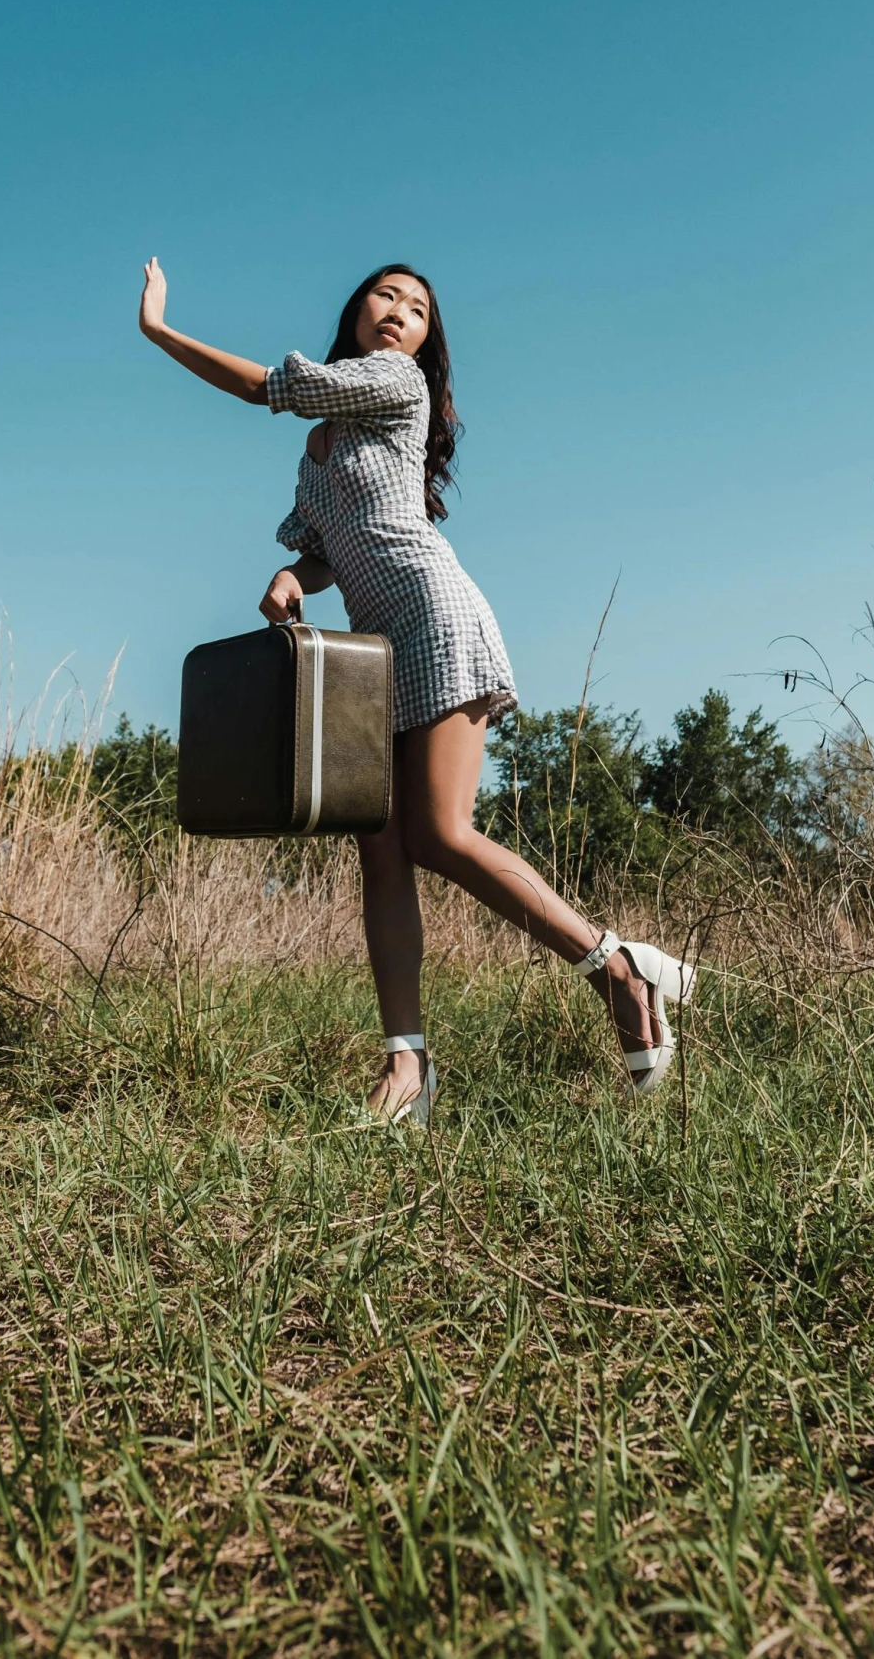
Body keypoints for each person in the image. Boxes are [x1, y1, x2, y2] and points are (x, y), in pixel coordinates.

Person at [139, 256, 693, 1123]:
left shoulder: (394, 385)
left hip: (435, 621)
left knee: (438, 833)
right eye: (386, 295)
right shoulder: (319, 447)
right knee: (381, 850)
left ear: (424, 342)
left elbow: (258, 389)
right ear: (356, 308)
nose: (399, 312)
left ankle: (614, 967)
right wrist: (293, 571)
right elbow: (325, 545)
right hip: (370, 656)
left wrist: (160, 330)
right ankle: (407, 1068)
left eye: (419, 309)